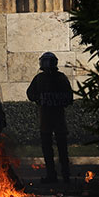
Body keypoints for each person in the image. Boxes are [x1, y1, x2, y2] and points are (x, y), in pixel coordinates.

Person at [26, 51, 74, 183]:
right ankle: (64, 175)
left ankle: (54, 175)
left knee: (50, 149)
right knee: (59, 149)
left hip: (48, 119)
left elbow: (30, 94)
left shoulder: (41, 78)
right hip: (54, 119)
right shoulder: (59, 78)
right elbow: (69, 97)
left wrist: (40, 99)